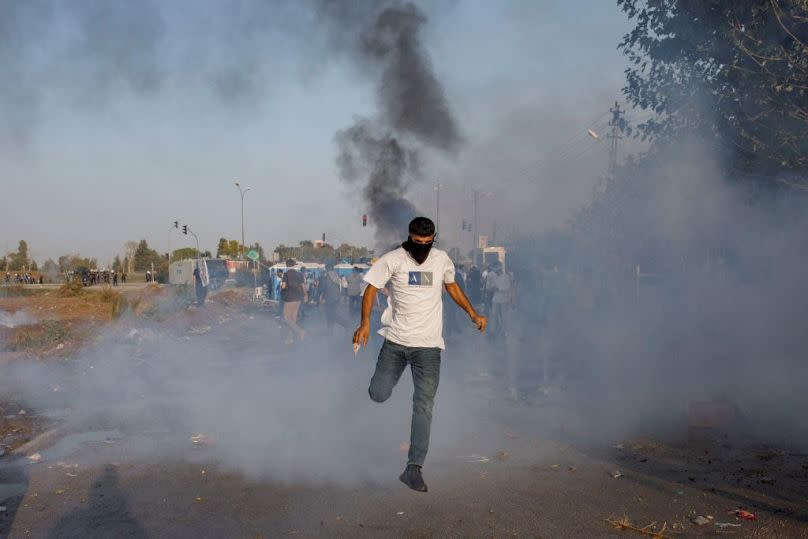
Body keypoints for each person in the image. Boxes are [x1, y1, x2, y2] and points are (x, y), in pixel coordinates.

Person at [353, 217, 487, 492]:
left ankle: (413, 468)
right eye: (418, 243)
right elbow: (371, 289)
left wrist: (473, 313)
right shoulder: (393, 260)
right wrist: (365, 323)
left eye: (428, 243)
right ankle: (382, 387)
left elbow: (452, 287)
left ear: (433, 240)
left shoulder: (441, 260)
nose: (423, 248)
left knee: (423, 405)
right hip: (396, 342)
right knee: (378, 393)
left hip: (428, 346)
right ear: (410, 238)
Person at [281, 259, 306, 344]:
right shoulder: (299, 274)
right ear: (294, 265)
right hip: (298, 298)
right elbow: (303, 286)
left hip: (290, 298)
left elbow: (283, 287)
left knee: (287, 318)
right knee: (293, 320)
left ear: (287, 265)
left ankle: (300, 331)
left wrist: (282, 286)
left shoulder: (286, 274)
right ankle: (290, 339)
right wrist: (306, 295)